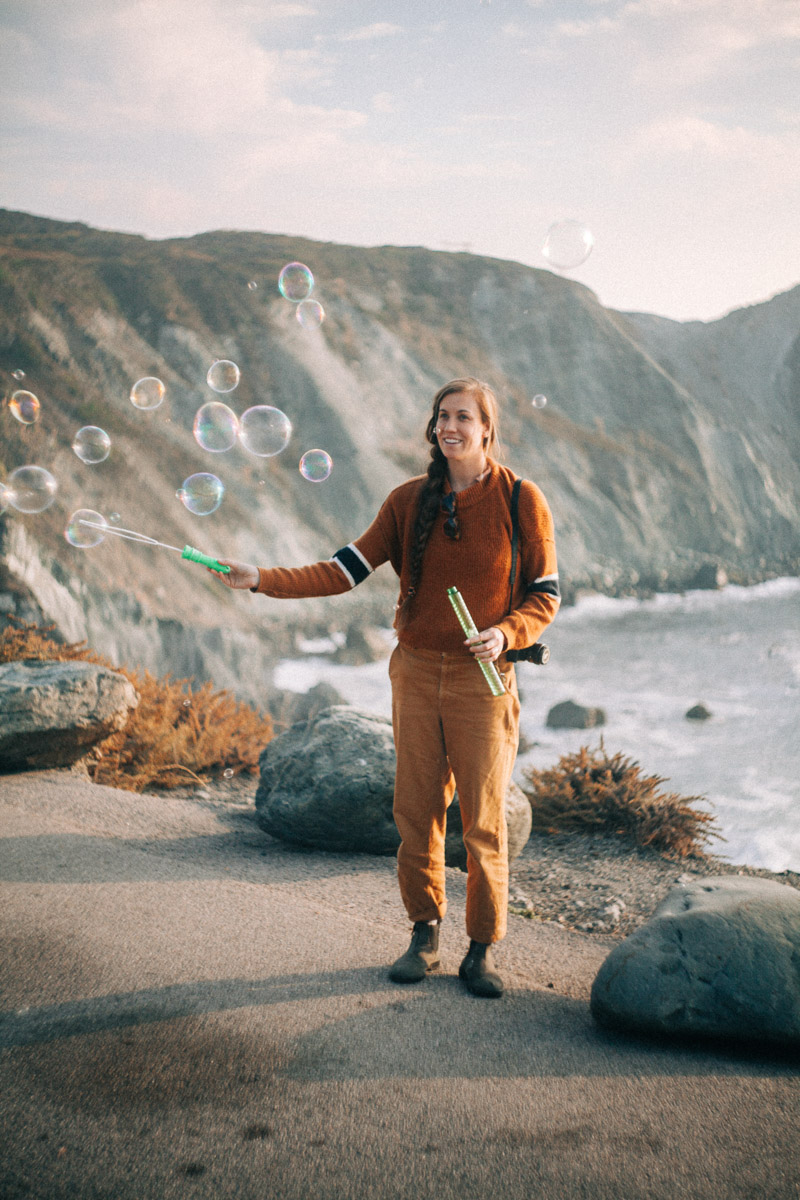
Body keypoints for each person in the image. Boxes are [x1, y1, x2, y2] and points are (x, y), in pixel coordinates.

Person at [212, 377, 560, 998]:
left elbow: (546, 595)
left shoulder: (520, 499)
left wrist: (507, 634)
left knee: (482, 821)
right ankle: (424, 936)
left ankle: (480, 950)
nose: (449, 427)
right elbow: (342, 570)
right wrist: (261, 577)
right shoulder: (406, 501)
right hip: (417, 672)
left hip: (486, 680)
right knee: (416, 811)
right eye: (441, 417)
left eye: (462, 417)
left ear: (487, 429)